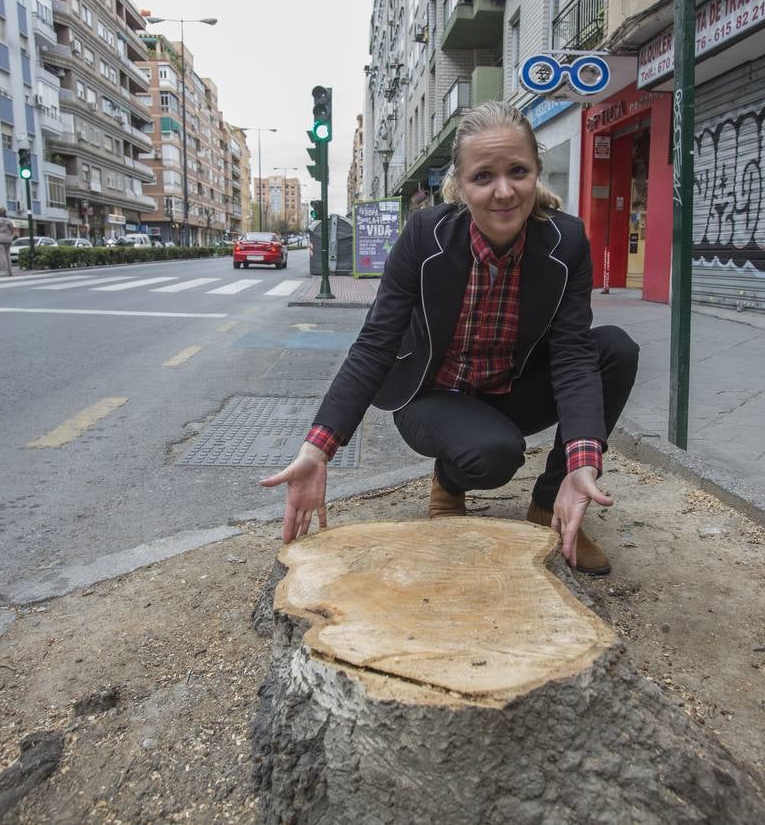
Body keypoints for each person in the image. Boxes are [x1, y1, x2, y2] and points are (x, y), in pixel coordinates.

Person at [261, 101, 639, 575]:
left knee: (614, 349)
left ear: (536, 172)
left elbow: (573, 354)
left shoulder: (567, 241)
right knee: (493, 453)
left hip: (512, 389)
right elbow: (375, 344)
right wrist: (317, 451)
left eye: (517, 171)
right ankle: (449, 480)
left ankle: (552, 506)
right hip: (433, 398)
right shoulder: (424, 236)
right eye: (483, 177)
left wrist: (584, 461)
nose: (503, 192)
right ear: (461, 185)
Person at [0, 208, 15, 275]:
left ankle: (3, 272)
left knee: (1, 256)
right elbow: (12, 231)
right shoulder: (9, 221)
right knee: (7, 256)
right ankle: (9, 271)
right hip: (8, 240)